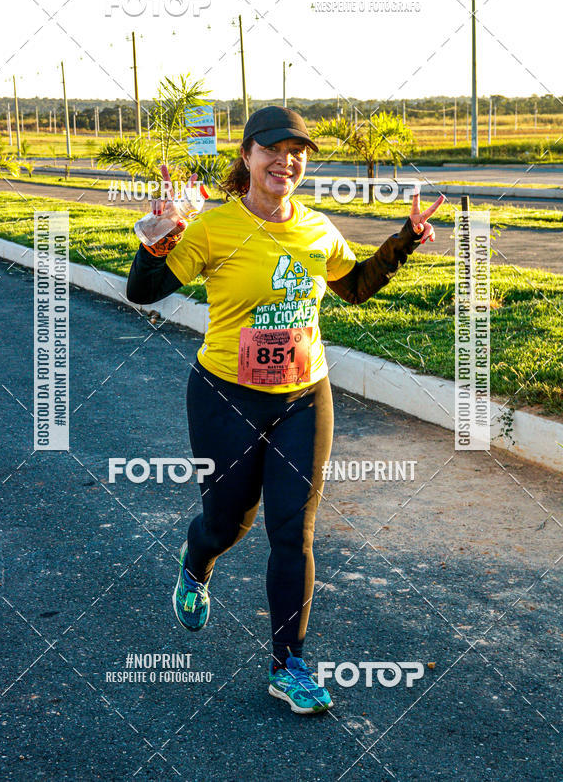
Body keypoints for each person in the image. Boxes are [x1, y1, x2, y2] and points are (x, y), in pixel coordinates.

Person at [126, 105, 444, 714]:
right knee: (228, 522)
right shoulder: (214, 229)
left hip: (305, 395)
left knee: (293, 531)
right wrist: (159, 235)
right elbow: (144, 292)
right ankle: (197, 562)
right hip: (226, 395)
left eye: (298, 152)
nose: (286, 161)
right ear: (246, 156)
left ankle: (288, 664)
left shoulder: (317, 228)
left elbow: (352, 285)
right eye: (273, 149)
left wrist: (404, 240)